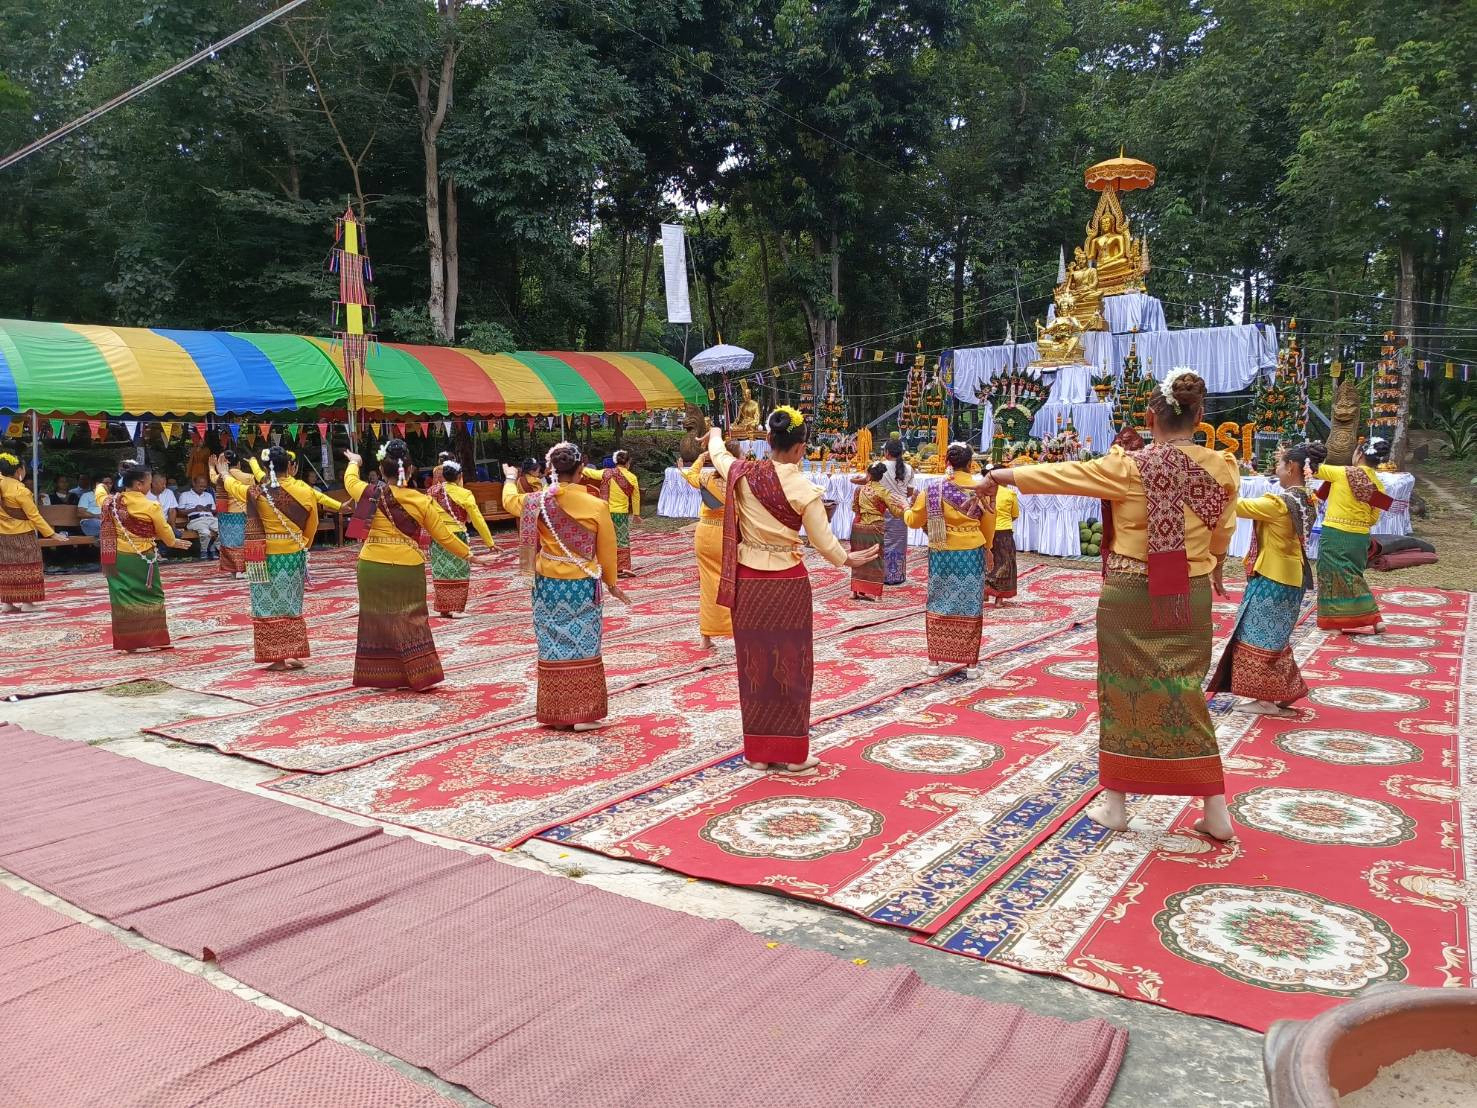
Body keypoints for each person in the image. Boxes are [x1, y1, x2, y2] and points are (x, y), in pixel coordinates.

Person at [986, 369, 1239, 840]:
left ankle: (1116, 804)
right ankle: (1215, 808)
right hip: (1192, 589)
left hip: (1130, 592)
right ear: (1200, 416)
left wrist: (999, 475)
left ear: (1149, 418)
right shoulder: (1223, 468)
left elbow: (1063, 475)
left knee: (1122, 692)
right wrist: (1215, 559)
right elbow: (1224, 531)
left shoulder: (1131, 466)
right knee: (1184, 688)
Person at [706, 410, 878, 772]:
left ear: (768, 442)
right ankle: (793, 753)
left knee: (754, 665)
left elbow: (720, 454)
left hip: (749, 583)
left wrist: (717, 432)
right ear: (801, 448)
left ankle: (758, 752)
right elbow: (825, 543)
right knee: (791, 664)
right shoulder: (804, 489)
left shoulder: (742, 474)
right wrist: (849, 560)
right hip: (787, 583)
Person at [502, 443, 629, 730]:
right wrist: (611, 583)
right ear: (581, 469)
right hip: (582, 583)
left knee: (549, 641)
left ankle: (556, 711)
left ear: (552, 470)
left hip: (547, 582)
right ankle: (584, 713)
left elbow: (510, 502)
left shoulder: (537, 501)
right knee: (585, 641)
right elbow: (608, 550)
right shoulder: (597, 506)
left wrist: (510, 479)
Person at [343, 440, 482, 690]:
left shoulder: (368, 492)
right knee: (411, 618)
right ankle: (419, 675)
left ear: (381, 469)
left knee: (377, 620)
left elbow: (349, 481)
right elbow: (443, 535)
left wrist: (354, 461)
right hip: (408, 565)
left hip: (371, 564)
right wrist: (469, 555)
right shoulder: (421, 501)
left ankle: (382, 676)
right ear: (408, 471)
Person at [1209, 442, 1320, 717]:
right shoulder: (1308, 500)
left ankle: (1266, 699)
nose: (1277, 471)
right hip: (1292, 577)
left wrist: (1220, 480)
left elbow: (1236, 506)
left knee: (1260, 637)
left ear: (1292, 467)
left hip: (1272, 578)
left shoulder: (1279, 503)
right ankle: (1278, 694)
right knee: (1275, 638)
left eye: (1280, 466)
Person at [214, 447, 326, 670]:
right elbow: (312, 524)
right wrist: (303, 544)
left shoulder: (257, 491)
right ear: (290, 467)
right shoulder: (304, 489)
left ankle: (278, 658)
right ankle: (293, 651)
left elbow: (233, 488)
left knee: (268, 605)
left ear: (266, 468)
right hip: (294, 553)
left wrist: (223, 473)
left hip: (264, 557)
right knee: (292, 603)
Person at [904, 443, 996, 677]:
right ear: (971, 464)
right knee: (970, 604)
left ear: (947, 463)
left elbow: (913, 521)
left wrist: (907, 506)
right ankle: (971, 665)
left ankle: (934, 662)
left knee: (938, 600)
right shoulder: (981, 489)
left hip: (942, 551)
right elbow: (989, 524)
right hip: (971, 551)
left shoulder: (933, 489)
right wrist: (989, 548)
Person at [97, 464, 192, 650]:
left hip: (118, 558)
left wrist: (101, 485)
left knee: (122, 596)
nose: (150, 486)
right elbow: (164, 529)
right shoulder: (151, 505)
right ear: (140, 485)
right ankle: (155, 640)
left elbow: (99, 492)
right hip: (143, 558)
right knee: (152, 596)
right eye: (149, 482)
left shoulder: (110, 501)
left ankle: (128, 643)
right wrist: (173, 542)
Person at [1313, 437, 1392, 634]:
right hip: (1360, 537)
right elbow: (1373, 518)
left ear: (1359, 454)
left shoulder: (1341, 473)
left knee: (1331, 576)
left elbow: (1313, 469)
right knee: (1353, 575)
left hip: (1335, 533)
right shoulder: (1378, 484)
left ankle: (1336, 623)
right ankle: (1374, 621)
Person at [683, 442, 742, 648]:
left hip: (705, 533)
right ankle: (736, 630)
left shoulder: (706, 478)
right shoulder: (738, 483)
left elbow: (689, 475)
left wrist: (701, 458)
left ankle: (705, 636)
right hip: (727, 536)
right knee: (732, 583)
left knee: (707, 584)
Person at [426, 459, 495, 618]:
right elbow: (477, 519)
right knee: (459, 571)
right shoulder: (464, 494)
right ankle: (456, 609)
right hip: (457, 535)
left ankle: (444, 607)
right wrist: (489, 542)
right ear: (460, 477)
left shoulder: (432, 491)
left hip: (438, 536)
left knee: (441, 571)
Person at [0, 453, 56, 611]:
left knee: (7, 567)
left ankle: (7, 603)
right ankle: (27, 603)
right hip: (22, 534)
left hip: (2, 535)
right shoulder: (20, 490)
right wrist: (52, 533)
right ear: (19, 471)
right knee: (28, 566)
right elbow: (34, 516)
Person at [850, 462, 904, 601]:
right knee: (876, 558)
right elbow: (896, 512)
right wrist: (906, 507)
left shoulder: (859, 490)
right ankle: (875, 594)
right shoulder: (883, 492)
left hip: (859, 528)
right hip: (876, 527)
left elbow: (855, 509)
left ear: (868, 475)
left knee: (857, 557)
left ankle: (854, 591)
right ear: (881, 477)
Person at [584, 449, 640, 577]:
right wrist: (636, 514)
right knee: (622, 539)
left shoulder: (606, 473)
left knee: (606, 539)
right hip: (621, 513)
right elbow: (635, 497)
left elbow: (590, 472)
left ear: (616, 462)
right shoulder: (632, 477)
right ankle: (623, 567)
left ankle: (607, 566)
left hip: (605, 512)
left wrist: (578, 467)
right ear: (628, 463)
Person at [879, 437, 913, 585]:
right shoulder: (908, 468)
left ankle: (881, 574)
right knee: (899, 542)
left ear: (886, 452)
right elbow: (910, 491)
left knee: (882, 541)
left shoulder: (878, 465)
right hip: (901, 510)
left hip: (882, 509)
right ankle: (896, 575)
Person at [213, 450, 248, 577]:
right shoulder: (246, 477)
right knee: (241, 542)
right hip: (240, 514)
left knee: (229, 543)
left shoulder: (219, 477)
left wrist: (212, 467)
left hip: (225, 515)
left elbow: (212, 477)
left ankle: (234, 570)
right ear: (238, 464)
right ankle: (241, 569)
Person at [985, 480, 1020, 605]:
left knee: (986, 562)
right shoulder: (1010, 494)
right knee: (1005, 564)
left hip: (987, 530)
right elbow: (1015, 515)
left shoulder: (985, 492)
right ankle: (998, 600)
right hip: (1003, 531)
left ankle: (985, 592)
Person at [176, 474, 220, 559]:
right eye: (200, 486)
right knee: (205, 532)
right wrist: (194, 509)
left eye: (204, 487)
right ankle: (204, 551)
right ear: (194, 483)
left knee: (224, 530)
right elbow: (180, 511)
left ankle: (213, 547)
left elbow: (214, 510)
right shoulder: (185, 495)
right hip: (196, 520)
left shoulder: (208, 495)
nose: (202, 488)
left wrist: (209, 509)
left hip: (210, 518)